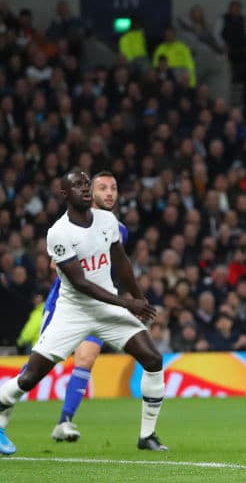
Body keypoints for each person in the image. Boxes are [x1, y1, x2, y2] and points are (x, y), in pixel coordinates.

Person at [0, 171, 167, 456]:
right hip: (73, 311)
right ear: (65, 194)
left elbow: (123, 263)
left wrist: (139, 299)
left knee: (153, 358)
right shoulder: (59, 233)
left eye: (86, 184)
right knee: (30, 377)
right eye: (76, 185)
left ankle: (147, 435)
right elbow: (80, 283)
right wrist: (127, 304)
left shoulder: (107, 220)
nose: (84, 188)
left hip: (107, 308)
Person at [44, 171, 130, 442]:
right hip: (65, 305)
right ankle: (4, 412)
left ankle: (64, 422)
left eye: (114, 188)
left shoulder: (117, 228)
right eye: (102, 188)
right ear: (89, 192)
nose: (109, 194)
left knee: (87, 358)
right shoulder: (68, 226)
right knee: (42, 363)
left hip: (98, 305)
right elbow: (54, 265)